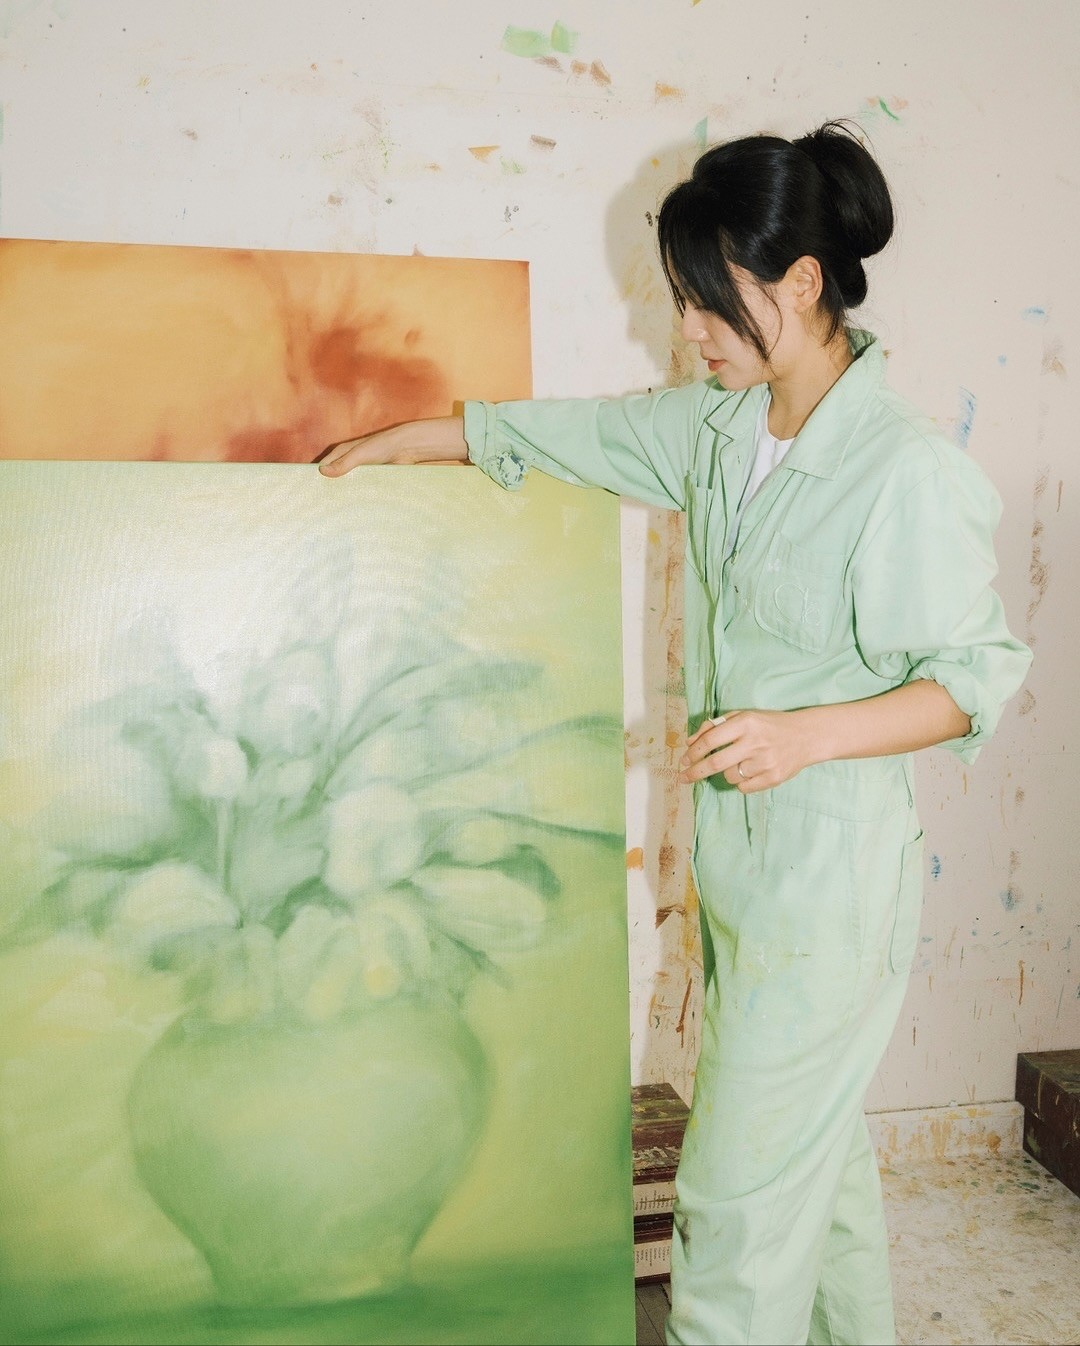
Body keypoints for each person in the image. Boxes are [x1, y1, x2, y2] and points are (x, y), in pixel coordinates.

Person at [319, 121, 1032, 1346]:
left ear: (800, 284)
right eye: (683, 302)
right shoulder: (716, 432)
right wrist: (401, 442)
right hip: (746, 875)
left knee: (732, 1211)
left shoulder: (904, 471)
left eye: (710, 302)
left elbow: (973, 684)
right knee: (820, 1183)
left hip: (832, 888)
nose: (688, 331)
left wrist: (804, 736)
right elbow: (565, 435)